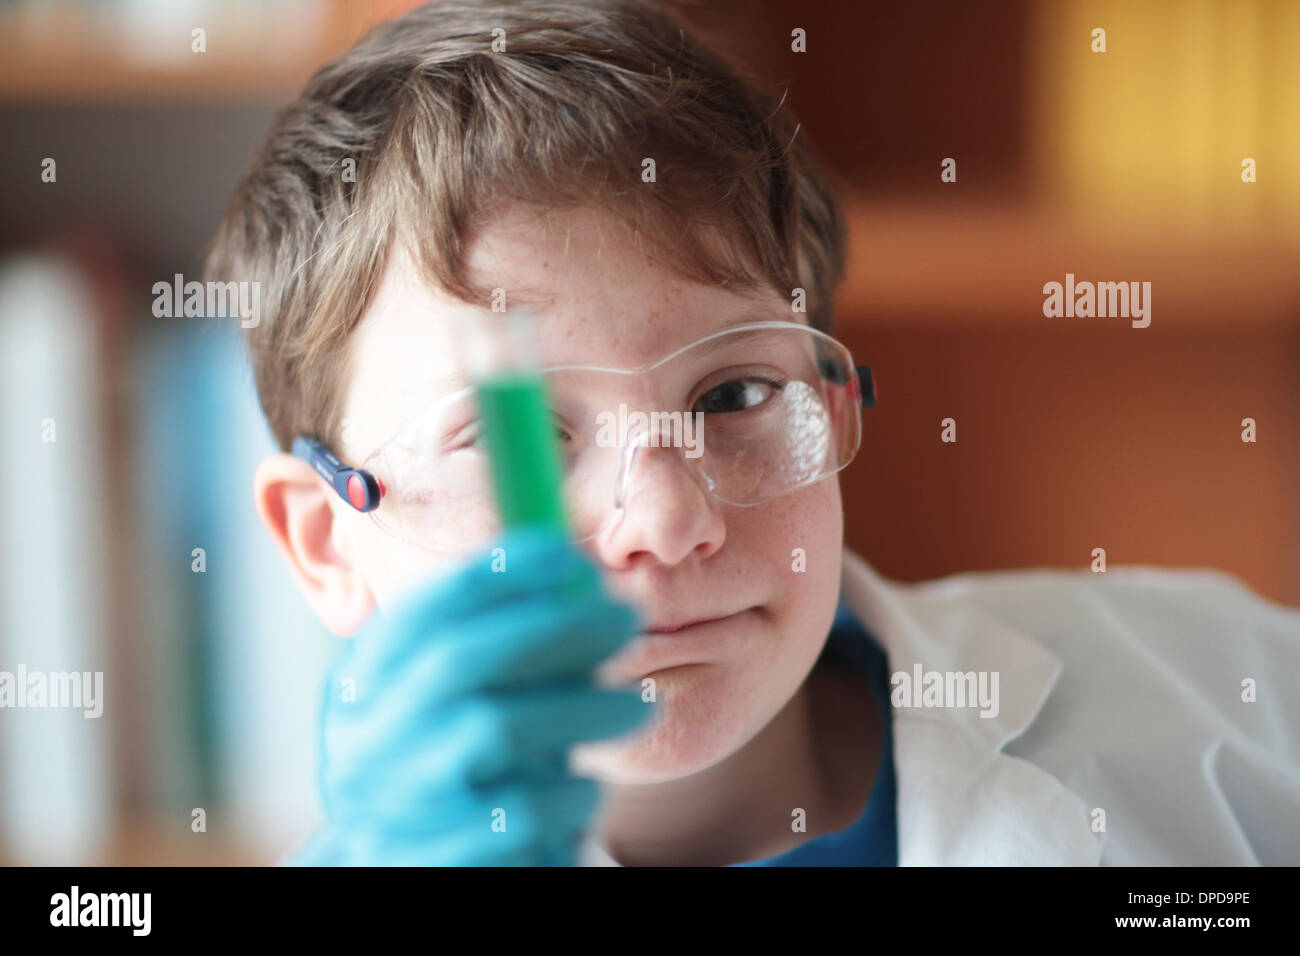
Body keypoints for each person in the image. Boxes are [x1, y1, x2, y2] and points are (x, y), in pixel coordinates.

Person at [203, 0, 1300, 866]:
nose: (670, 519)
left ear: (827, 411)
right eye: (518, 439)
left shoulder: (1224, 690)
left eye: (732, 396)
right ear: (322, 540)